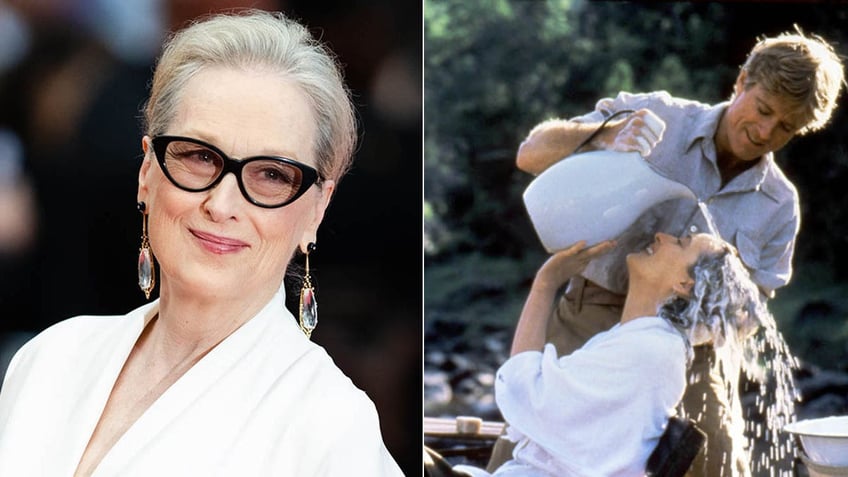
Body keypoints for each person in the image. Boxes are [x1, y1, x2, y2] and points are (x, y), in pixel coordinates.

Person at [0, 10, 402, 476]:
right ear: (147, 172)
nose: (222, 203)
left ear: (317, 209)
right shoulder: (50, 359)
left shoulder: (328, 427)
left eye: (272, 174)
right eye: (199, 156)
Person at [490, 29, 845, 476]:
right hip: (593, 309)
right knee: (523, 443)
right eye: (763, 110)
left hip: (688, 349)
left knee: (715, 459)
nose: (764, 132)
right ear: (741, 83)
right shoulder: (655, 115)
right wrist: (604, 137)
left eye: (786, 127)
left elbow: (751, 313)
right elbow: (530, 154)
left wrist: (681, 334)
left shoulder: (779, 204)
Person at [436, 232, 763, 476]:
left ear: (684, 283)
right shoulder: (639, 342)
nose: (662, 235)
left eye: (681, 241)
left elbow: (527, 393)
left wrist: (546, 284)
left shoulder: (650, 351)